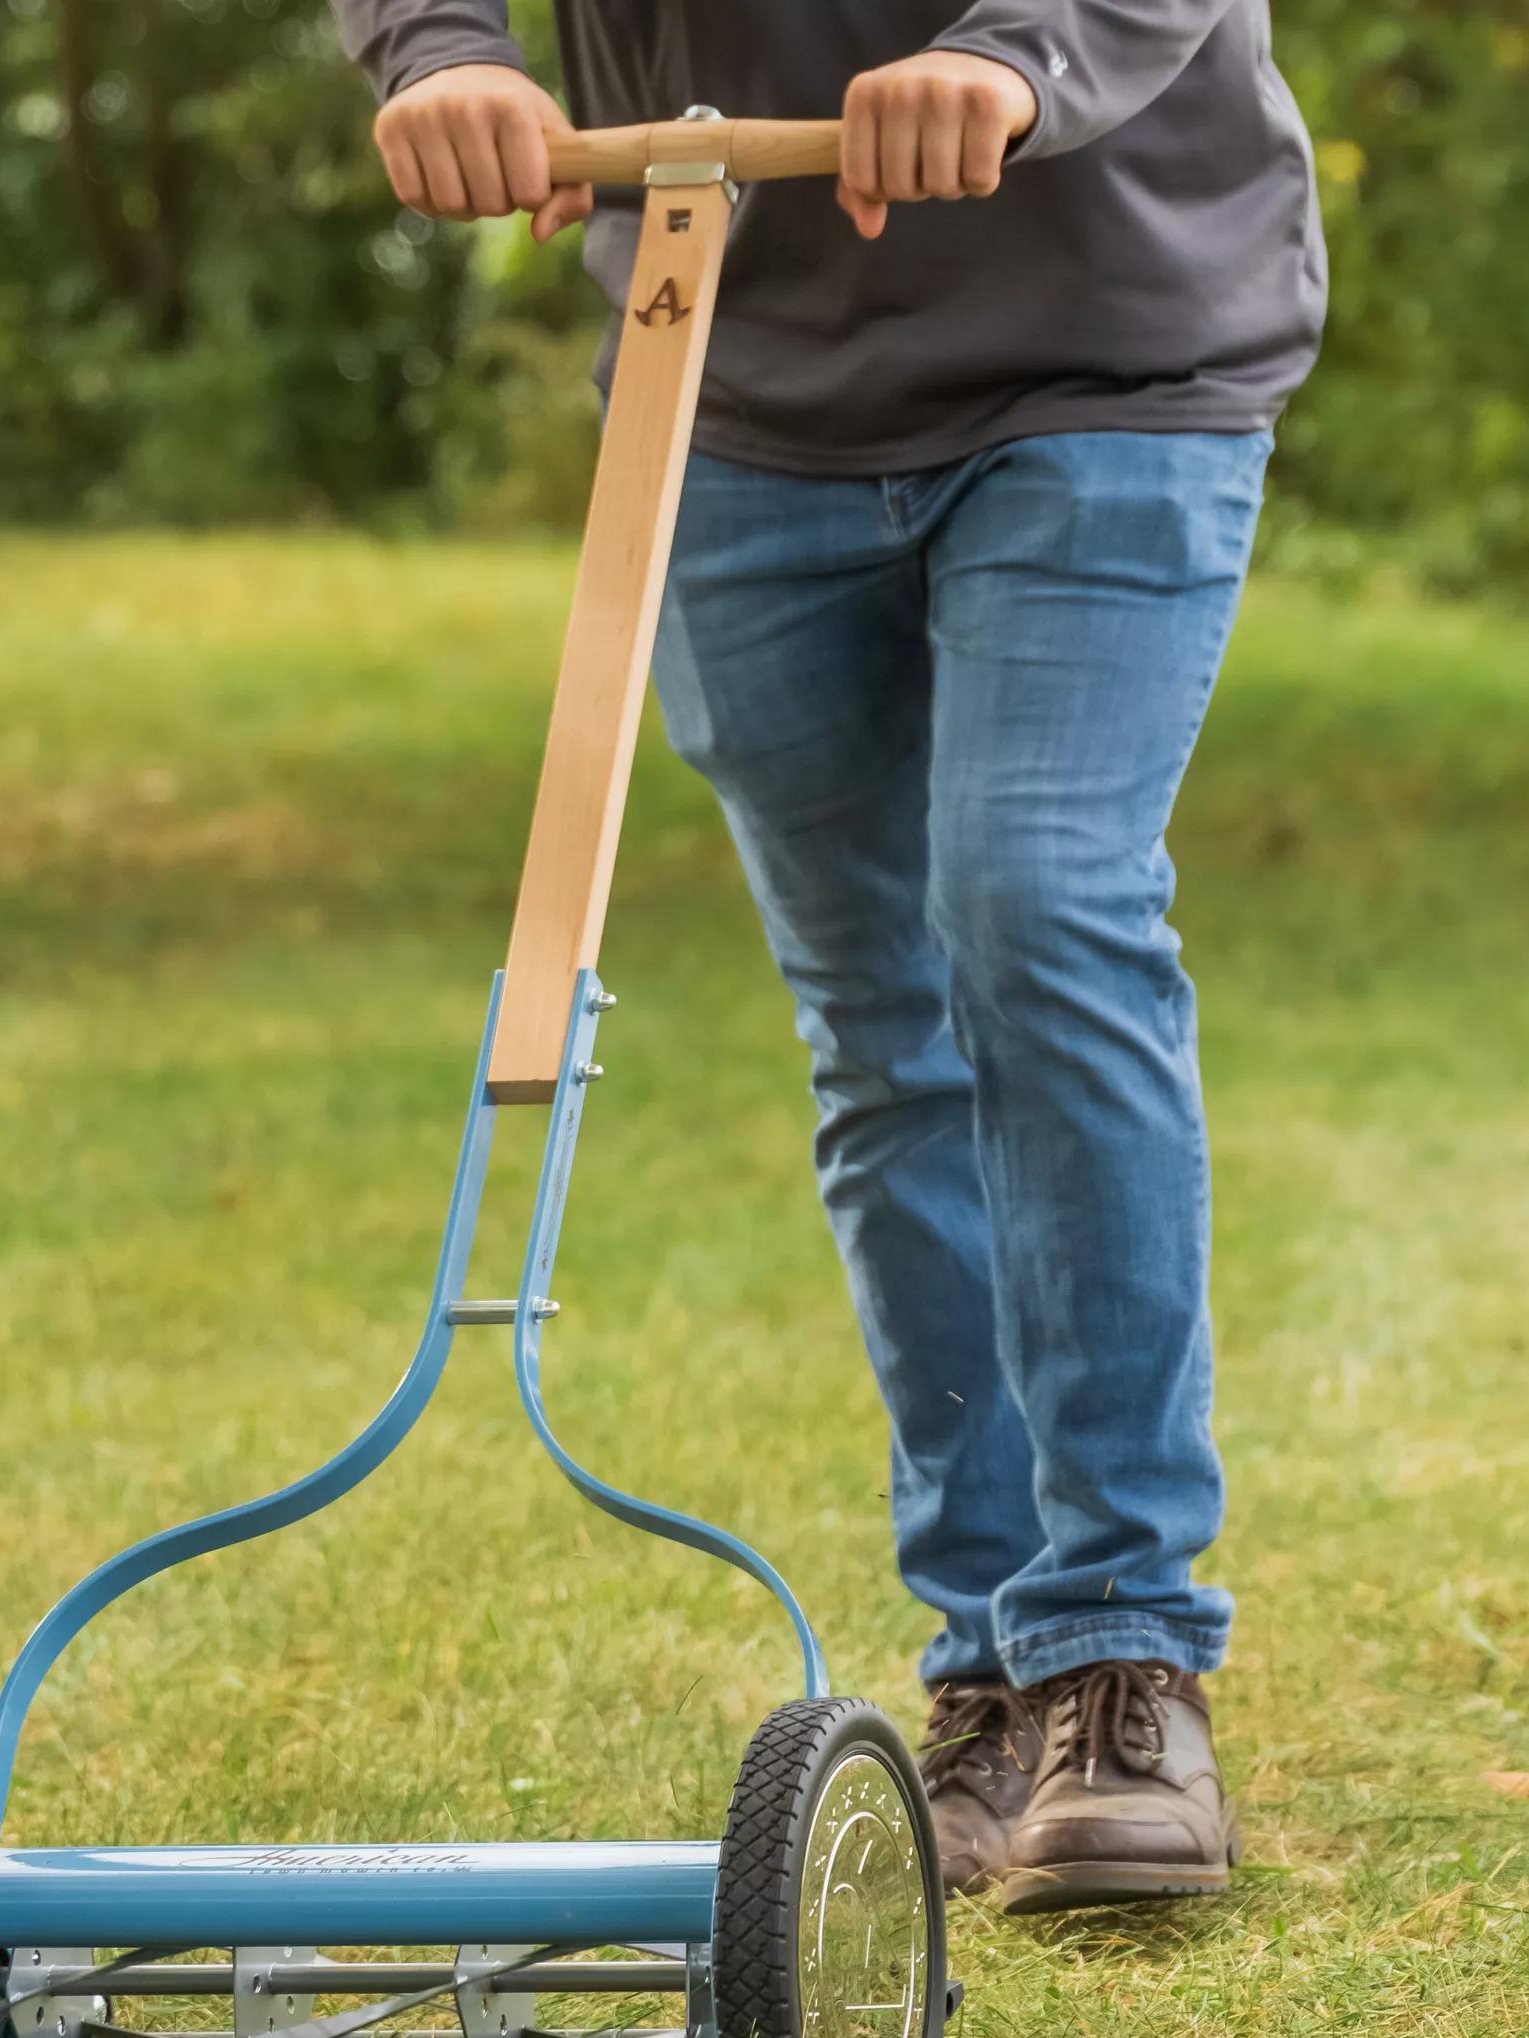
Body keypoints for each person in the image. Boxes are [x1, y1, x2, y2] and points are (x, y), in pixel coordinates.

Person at [330, 1, 1324, 1912]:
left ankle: (1121, 1653)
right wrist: (441, 51)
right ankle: (988, 1669)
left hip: (1109, 352)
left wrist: (1026, 56)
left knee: (1039, 906)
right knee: (886, 1032)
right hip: (732, 380)